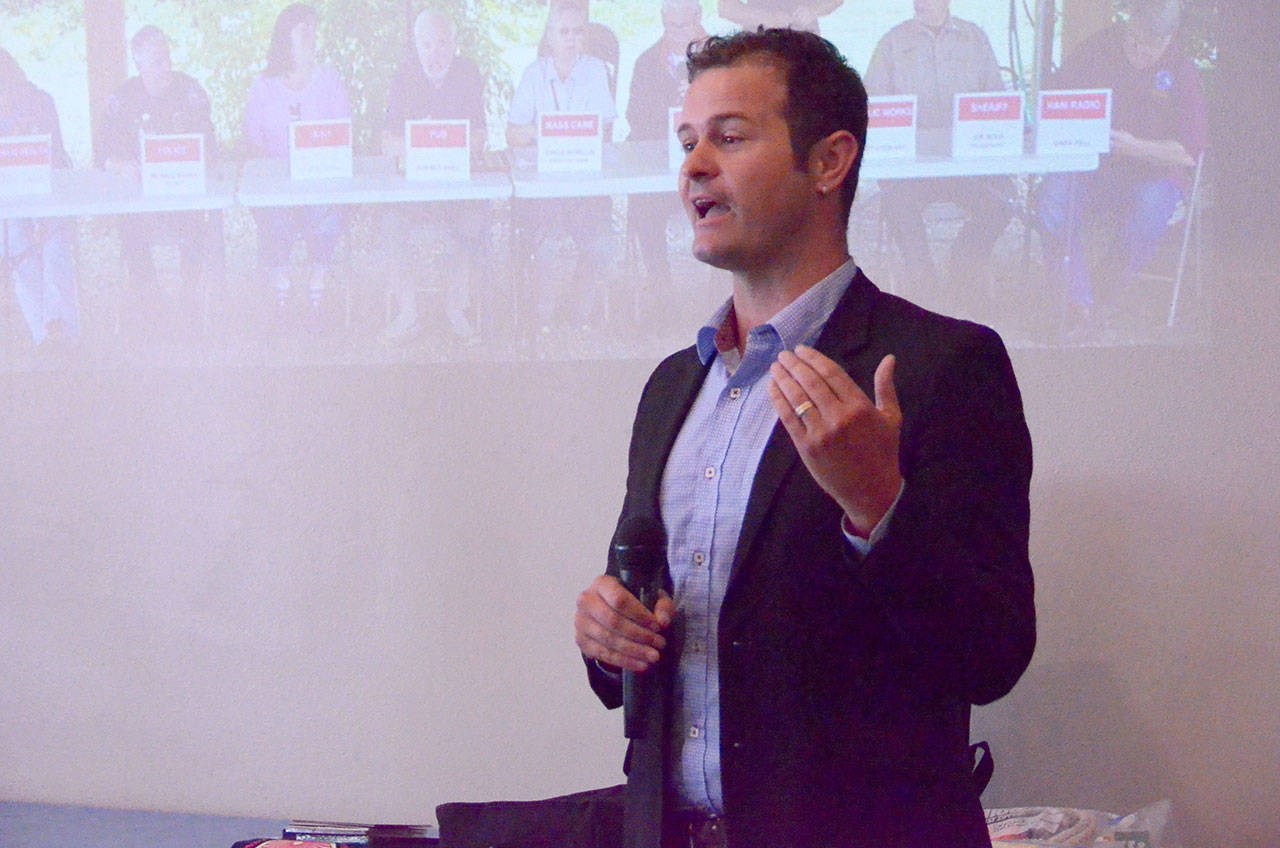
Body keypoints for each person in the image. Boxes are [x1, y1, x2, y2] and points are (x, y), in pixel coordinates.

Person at [573, 28, 1035, 848]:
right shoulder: (672, 387)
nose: (693, 167)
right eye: (686, 142)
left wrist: (877, 506)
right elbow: (652, 623)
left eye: (730, 136)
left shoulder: (939, 366)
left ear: (828, 163)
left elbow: (992, 654)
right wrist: (610, 642)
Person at [1037, 0, 1206, 335]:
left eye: (1152, 47)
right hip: (1092, 169)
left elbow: (1190, 153)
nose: (1141, 53)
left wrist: (1136, 147)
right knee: (1052, 202)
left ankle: (1099, 293)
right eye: (1135, 42)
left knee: (1148, 214)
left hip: (1154, 176)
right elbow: (1053, 103)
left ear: (1170, 37)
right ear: (1129, 20)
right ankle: (1076, 303)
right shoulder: (1098, 48)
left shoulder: (1182, 70)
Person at [863, 0, 1015, 310]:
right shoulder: (893, 42)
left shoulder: (975, 38)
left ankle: (964, 265)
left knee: (1002, 201)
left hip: (968, 165)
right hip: (911, 169)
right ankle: (924, 286)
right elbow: (871, 105)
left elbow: (997, 102)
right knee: (896, 204)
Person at [96, 25, 220, 335]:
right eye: (156, 61)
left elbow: (211, 148)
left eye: (166, 57)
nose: (165, 66)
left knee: (197, 221)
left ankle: (190, 300)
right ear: (139, 65)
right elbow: (102, 154)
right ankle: (148, 297)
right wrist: (121, 165)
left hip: (183, 198)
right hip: (140, 201)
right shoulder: (122, 100)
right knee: (128, 223)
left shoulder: (190, 92)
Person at [378, 9, 490, 344]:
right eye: (427, 45)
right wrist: (434, 143)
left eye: (442, 44)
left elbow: (481, 138)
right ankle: (407, 311)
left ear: (455, 44)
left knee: (475, 220)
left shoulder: (468, 74)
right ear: (416, 46)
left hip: (458, 189)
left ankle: (457, 308)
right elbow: (386, 144)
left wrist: (433, 138)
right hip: (415, 191)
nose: (435, 53)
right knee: (388, 225)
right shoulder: (403, 77)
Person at [506, 0, 618, 332]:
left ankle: (581, 310)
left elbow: (605, 133)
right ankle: (543, 314)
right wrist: (549, 132)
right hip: (545, 193)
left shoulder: (597, 71)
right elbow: (512, 134)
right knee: (548, 247)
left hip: (586, 188)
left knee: (602, 245)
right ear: (550, 36)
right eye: (563, 31)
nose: (570, 38)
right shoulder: (533, 74)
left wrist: (572, 135)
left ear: (585, 36)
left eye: (577, 32)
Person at [243, 3, 350, 334]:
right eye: (304, 31)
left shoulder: (330, 80)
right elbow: (252, 146)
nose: (312, 38)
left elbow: (343, 135)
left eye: (314, 31)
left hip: (320, 183)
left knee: (328, 210)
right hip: (278, 188)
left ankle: (319, 282)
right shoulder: (263, 87)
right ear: (285, 39)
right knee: (275, 215)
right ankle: (280, 286)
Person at [626, 0, 706, 301]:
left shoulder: (722, 60)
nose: (676, 33)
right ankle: (660, 287)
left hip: (710, 169)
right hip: (662, 167)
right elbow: (634, 118)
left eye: (683, 25)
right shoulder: (646, 62)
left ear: (698, 18)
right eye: (670, 26)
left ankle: (722, 293)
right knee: (645, 208)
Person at [0, 48, 79, 350]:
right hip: (6, 206)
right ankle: (43, 334)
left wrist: (47, 211)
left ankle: (62, 329)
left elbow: (58, 161)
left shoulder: (41, 103)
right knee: (15, 243)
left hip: (46, 194)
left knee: (55, 242)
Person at [716, 0, 845, 35]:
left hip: (804, 42)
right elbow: (725, 7)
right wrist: (766, 18)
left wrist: (813, 10)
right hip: (759, 44)